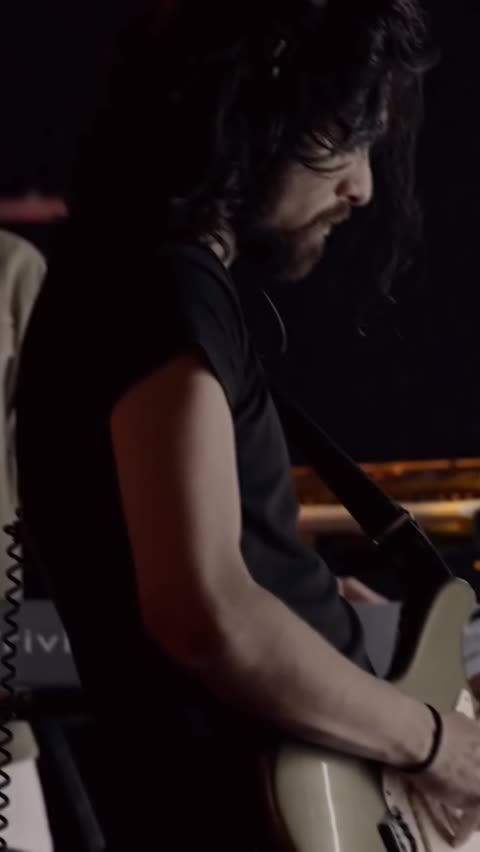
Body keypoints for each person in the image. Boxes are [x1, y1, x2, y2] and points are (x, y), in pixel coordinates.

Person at [13, 1, 480, 848]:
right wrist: (434, 742)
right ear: (259, 101)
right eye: (348, 136)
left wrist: (319, 608)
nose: (363, 185)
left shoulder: (133, 284)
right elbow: (207, 613)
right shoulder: (164, 288)